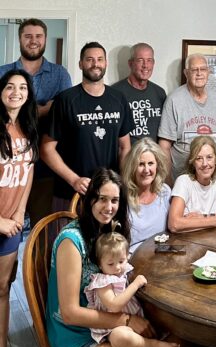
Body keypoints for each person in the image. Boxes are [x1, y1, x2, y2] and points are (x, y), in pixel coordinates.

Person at [45, 168, 192, 347]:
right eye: (102, 199)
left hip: (104, 329)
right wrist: (126, 320)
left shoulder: (106, 233)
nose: (109, 207)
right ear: (90, 199)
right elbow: (70, 313)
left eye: (114, 200)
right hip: (76, 342)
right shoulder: (71, 241)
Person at [41, 41, 132, 209]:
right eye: (89, 59)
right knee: (70, 236)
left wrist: (123, 181)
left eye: (100, 59)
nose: (95, 64)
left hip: (109, 195)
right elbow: (47, 149)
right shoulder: (66, 100)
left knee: (107, 237)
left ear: (106, 63)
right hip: (70, 194)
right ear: (81, 64)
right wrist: (74, 179)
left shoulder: (118, 99)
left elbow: (124, 147)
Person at [0, 18, 72, 227]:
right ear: (20, 39)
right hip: (7, 170)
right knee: (7, 227)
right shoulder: (3, 72)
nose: (33, 41)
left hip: (45, 166)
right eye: (28, 36)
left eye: (38, 36)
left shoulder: (60, 74)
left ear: (45, 39)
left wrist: (20, 109)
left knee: (41, 229)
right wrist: (42, 109)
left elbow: (63, 117)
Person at [84, 226, 179, 347]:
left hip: (137, 318)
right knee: (120, 338)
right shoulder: (102, 282)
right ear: (100, 264)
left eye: (121, 261)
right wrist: (135, 284)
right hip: (113, 326)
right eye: (110, 264)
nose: (117, 267)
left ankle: (149, 342)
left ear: (127, 257)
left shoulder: (125, 270)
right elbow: (114, 305)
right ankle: (154, 346)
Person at [0, 69, 38, 347]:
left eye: (23, 87)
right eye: (10, 86)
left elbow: (28, 173)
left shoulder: (26, 128)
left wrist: (19, 213)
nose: (16, 92)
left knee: (2, 291)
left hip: (11, 228)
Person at [158, 53, 216, 182]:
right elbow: (164, 145)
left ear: (208, 72)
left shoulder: (215, 99)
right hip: (183, 180)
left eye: (203, 69)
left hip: (212, 181)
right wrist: (168, 182)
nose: (199, 73)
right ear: (186, 73)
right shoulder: (174, 100)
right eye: (194, 70)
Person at [122, 137, 171, 253]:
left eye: (150, 163)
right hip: (131, 258)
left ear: (157, 166)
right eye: (141, 164)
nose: (146, 170)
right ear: (132, 167)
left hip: (161, 255)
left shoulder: (165, 192)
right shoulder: (123, 196)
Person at [112, 43, 167, 143]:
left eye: (149, 60)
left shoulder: (159, 93)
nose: (145, 65)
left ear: (153, 63)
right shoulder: (115, 93)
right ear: (130, 63)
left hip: (154, 156)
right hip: (129, 155)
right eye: (140, 60)